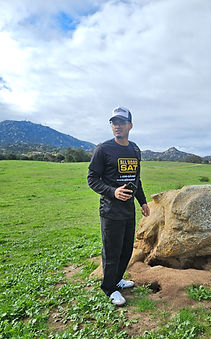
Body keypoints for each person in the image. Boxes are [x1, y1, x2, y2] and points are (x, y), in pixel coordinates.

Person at [87, 106, 150, 306]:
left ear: (130, 125)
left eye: (121, 122)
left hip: (128, 211)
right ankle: (109, 288)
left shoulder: (135, 149)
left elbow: (136, 180)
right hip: (110, 212)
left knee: (125, 250)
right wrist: (112, 192)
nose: (117, 126)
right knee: (111, 251)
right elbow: (92, 179)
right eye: (114, 122)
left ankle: (117, 279)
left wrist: (143, 201)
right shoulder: (103, 149)